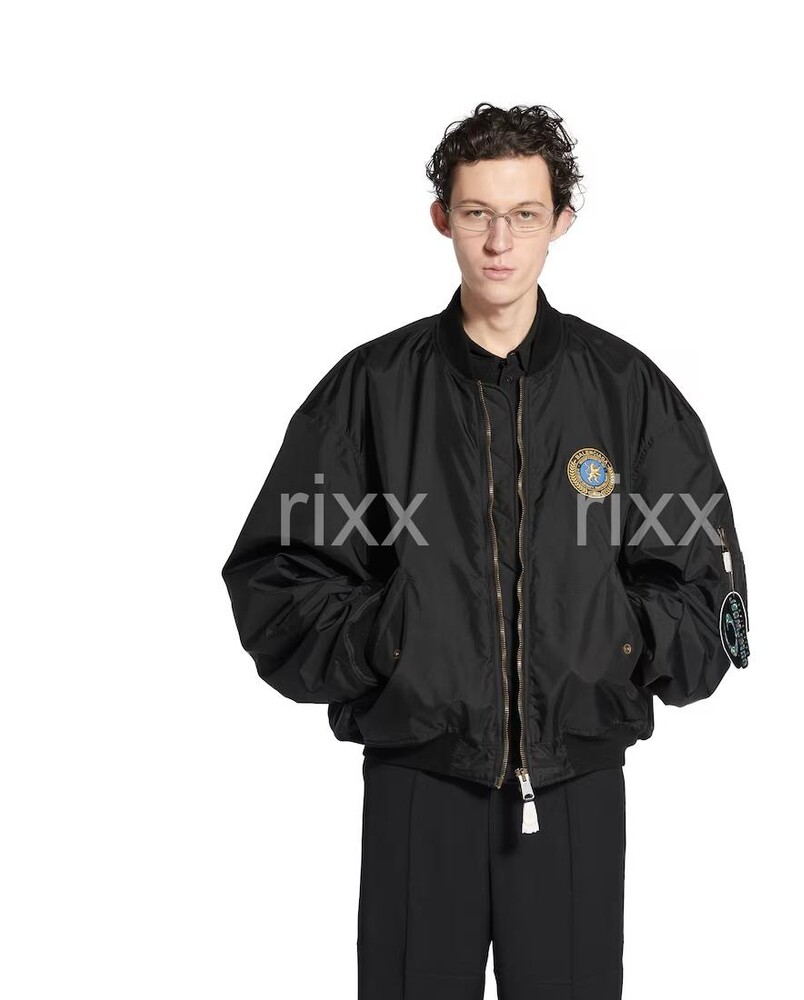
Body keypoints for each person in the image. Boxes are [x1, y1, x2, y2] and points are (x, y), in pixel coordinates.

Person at [221, 101, 750, 1000]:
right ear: (442, 218)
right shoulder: (372, 393)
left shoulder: (627, 393)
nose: (500, 242)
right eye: (477, 213)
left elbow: (705, 587)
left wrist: (613, 643)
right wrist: (398, 641)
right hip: (420, 780)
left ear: (561, 222)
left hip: (576, 779)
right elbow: (278, 577)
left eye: (524, 215)